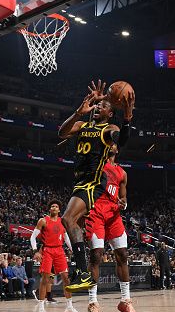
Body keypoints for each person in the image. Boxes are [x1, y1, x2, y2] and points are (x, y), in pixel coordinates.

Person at [58, 80, 135, 292]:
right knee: (70, 221)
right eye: (98, 104)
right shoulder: (83, 125)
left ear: (110, 114)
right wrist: (77, 112)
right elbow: (61, 133)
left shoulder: (108, 129)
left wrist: (127, 116)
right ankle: (83, 272)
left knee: (67, 218)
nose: (99, 106)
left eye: (104, 105)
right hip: (80, 181)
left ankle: (83, 272)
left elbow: (122, 141)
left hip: (94, 182)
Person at [80, 144, 139, 312]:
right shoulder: (96, 164)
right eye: (107, 142)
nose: (110, 144)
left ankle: (125, 301)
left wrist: (124, 204)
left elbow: (124, 198)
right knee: (96, 256)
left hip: (114, 214)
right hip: (96, 212)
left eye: (113, 142)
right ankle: (93, 303)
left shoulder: (122, 173)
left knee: (122, 255)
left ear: (117, 149)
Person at [30, 200, 82, 312]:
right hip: (47, 250)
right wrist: (35, 251)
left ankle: (69, 307)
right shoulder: (43, 221)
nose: (54, 207)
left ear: (59, 210)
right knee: (45, 279)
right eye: (52, 206)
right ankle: (41, 309)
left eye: (56, 206)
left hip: (59, 251)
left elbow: (66, 238)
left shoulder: (62, 222)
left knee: (66, 278)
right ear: (50, 209)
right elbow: (32, 237)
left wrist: (74, 250)